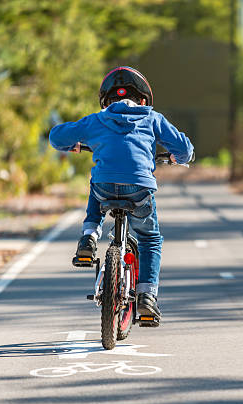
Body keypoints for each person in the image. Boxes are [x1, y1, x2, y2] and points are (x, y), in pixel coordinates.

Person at [49, 66, 194, 321]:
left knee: (97, 184)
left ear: (108, 101)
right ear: (143, 100)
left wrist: (74, 144)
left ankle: (89, 237)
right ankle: (147, 297)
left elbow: (56, 136)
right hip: (139, 189)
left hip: (105, 188)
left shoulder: (97, 119)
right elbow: (184, 149)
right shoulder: (152, 118)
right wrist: (177, 157)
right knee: (150, 239)